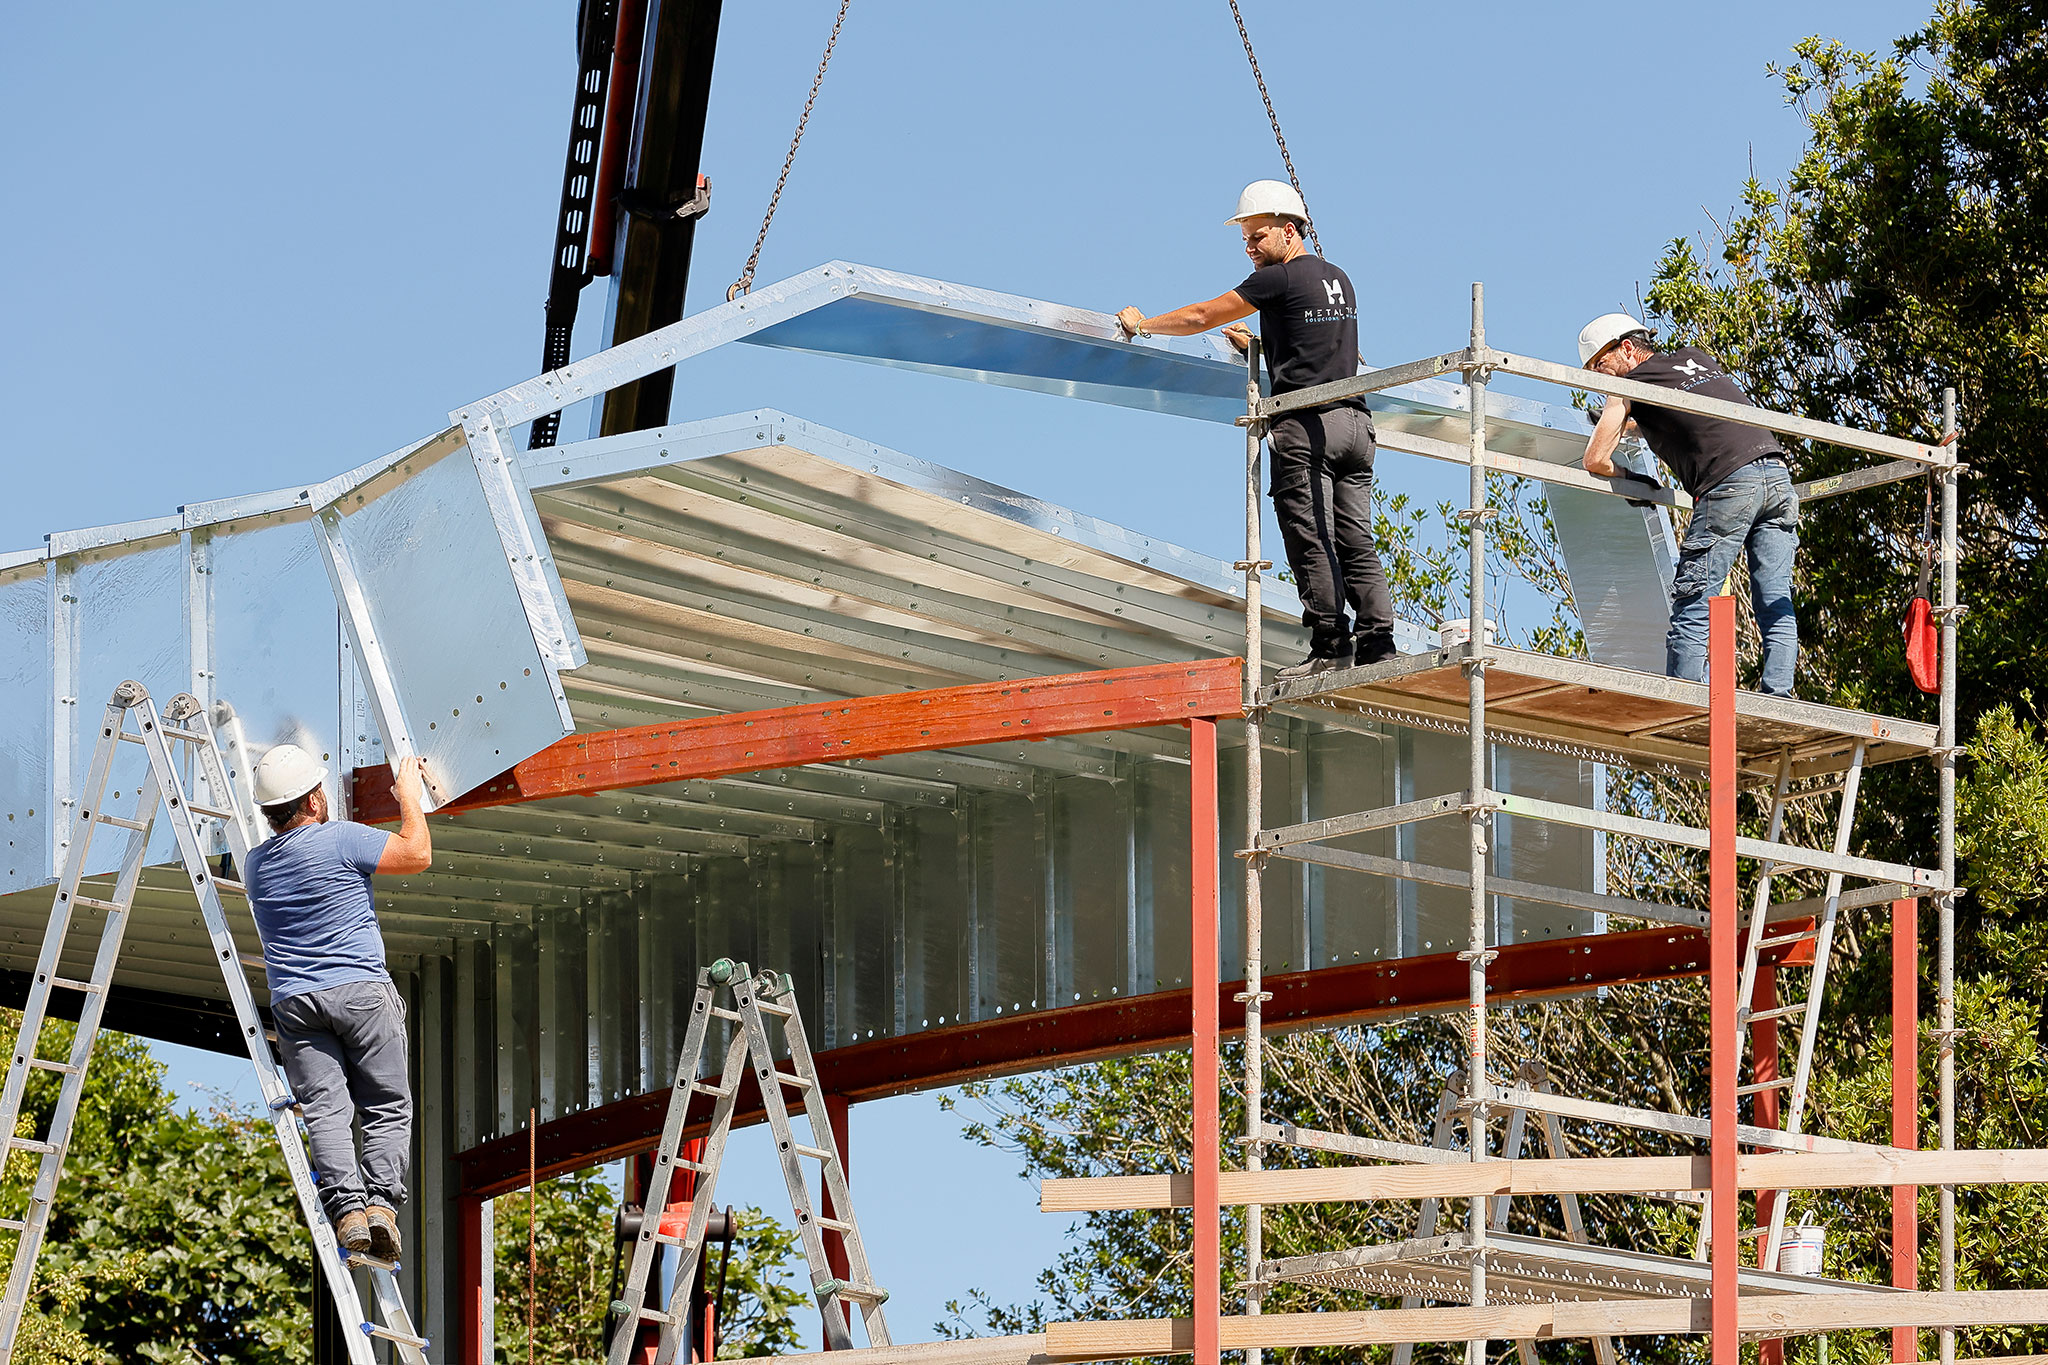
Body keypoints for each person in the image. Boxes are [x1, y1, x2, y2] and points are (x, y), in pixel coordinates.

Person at [1115, 179, 1394, 679]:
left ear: (1290, 231)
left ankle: (1331, 645)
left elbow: (1202, 315)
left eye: (1258, 235)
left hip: (1309, 427)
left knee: (1311, 536)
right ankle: (1379, 642)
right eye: (1245, 239)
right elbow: (1315, 348)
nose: (1249, 247)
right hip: (1356, 426)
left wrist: (1143, 324)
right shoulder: (1339, 278)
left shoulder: (1277, 280)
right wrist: (1258, 349)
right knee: (1356, 539)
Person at [242, 744, 433, 1260]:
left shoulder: (255, 865)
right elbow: (417, 854)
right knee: (386, 1105)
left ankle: (348, 1214)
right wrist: (407, 796)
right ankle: (382, 1207)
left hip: (296, 1004)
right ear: (314, 799)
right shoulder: (342, 839)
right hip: (360, 993)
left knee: (326, 1110)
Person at [1578, 313, 1800, 696]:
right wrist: (1627, 422)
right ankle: (1779, 696)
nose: (1599, 377)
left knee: (1694, 599)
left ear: (1626, 348)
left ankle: (1684, 699)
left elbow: (1595, 459)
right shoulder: (1695, 358)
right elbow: (1684, 414)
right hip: (1776, 476)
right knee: (1775, 597)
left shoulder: (1628, 385)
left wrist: (1631, 478)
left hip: (1728, 483)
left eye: (1600, 365)